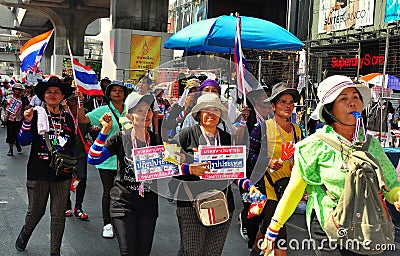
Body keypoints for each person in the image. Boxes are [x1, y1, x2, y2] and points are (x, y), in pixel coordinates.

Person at [261, 75, 400, 255]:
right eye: (343, 99)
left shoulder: (371, 144)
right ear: (330, 110)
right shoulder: (313, 146)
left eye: (355, 97)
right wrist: (273, 229)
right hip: (329, 227)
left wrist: (396, 196)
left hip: (367, 225)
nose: (352, 103)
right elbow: (294, 191)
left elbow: (390, 183)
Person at [172, 93, 258, 255]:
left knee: (213, 253)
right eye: (207, 110)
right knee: (193, 252)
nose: (211, 114)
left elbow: (234, 172)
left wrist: (249, 186)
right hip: (190, 204)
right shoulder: (185, 135)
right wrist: (189, 169)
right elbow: (167, 165)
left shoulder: (227, 139)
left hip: (222, 204)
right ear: (198, 114)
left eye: (216, 110)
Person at [87, 92, 160, 256]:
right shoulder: (120, 138)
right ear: (129, 115)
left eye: (148, 110)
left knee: (143, 252)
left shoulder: (157, 140)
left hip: (148, 204)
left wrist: (189, 168)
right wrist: (104, 132)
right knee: (128, 252)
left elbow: (172, 167)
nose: (145, 115)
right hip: (123, 203)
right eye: (139, 111)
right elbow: (93, 158)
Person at [16, 76, 75, 256]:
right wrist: (26, 122)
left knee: (58, 215)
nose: (53, 95)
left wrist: (75, 170)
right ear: (43, 95)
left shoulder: (68, 118)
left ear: (62, 96)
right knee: (36, 212)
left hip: (62, 173)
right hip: (38, 172)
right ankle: (25, 234)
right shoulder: (36, 114)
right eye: (49, 92)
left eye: (57, 92)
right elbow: (23, 140)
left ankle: (55, 251)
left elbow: (72, 145)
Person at [249, 82, 302, 256]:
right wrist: (268, 162)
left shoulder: (297, 130)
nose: (288, 106)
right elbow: (249, 157)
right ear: (273, 105)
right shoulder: (262, 128)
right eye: (283, 102)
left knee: (267, 228)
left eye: (291, 102)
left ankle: (255, 252)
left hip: (288, 187)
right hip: (268, 188)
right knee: (279, 226)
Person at [77, 80, 128, 238]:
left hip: (127, 159)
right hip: (107, 159)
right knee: (109, 191)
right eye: (114, 90)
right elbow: (83, 120)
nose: (117, 93)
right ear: (109, 94)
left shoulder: (131, 110)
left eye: (120, 90)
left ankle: (123, 221)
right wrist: (79, 103)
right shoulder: (103, 110)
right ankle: (107, 223)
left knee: (126, 191)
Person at [63, 93, 91, 220]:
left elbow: (89, 128)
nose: (74, 102)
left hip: (80, 152)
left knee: (82, 178)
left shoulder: (85, 112)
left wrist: (94, 128)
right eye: (71, 99)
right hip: (66, 152)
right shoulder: (63, 113)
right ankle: (66, 205)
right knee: (65, 179)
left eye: (76, 99)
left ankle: (78, 207)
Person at [5, 83, 30, 156]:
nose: (18, 91)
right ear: (13, 90)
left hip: (20, 119)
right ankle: (11, 149)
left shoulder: (23, 98)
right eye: (16, 89)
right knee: (10, 134)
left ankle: (18, 144)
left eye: (19, 90)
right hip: (10, 119)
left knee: (18, 134)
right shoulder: (9, 98)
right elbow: (6, 107)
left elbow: (26, 108)